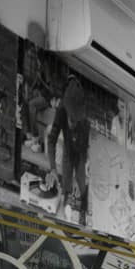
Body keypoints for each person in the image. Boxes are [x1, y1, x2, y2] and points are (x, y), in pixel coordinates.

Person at [46, 72, 90, 220]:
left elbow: (83, 153)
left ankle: (82, 214)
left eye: (75, 121)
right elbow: (51, 140)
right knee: (66, 185)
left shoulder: (84, 121)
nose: (72, 124)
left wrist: (78, 178)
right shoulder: (61, 110)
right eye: (71, 120)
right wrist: (53, 168)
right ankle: (65, 213)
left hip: (79, 149)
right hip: (67, 147)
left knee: (81, 185)